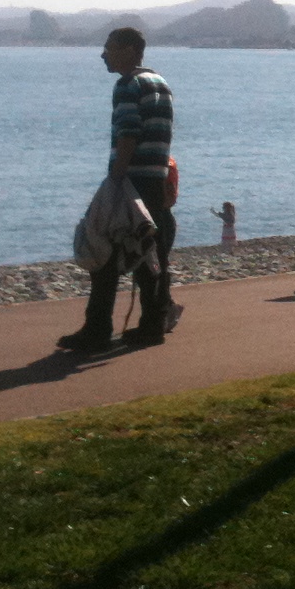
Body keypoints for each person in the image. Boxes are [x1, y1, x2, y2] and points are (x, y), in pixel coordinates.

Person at [59, 27, 179, 352]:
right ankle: (153, 324)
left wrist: (115, 178)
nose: (103, 55)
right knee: (148, 253)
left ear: (128, 50)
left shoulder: (128, 85)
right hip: (154, 179)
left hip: (130, 180)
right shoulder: (160, 82)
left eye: (108, 48)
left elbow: (128, 132)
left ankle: (97, 330)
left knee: (105, 251)